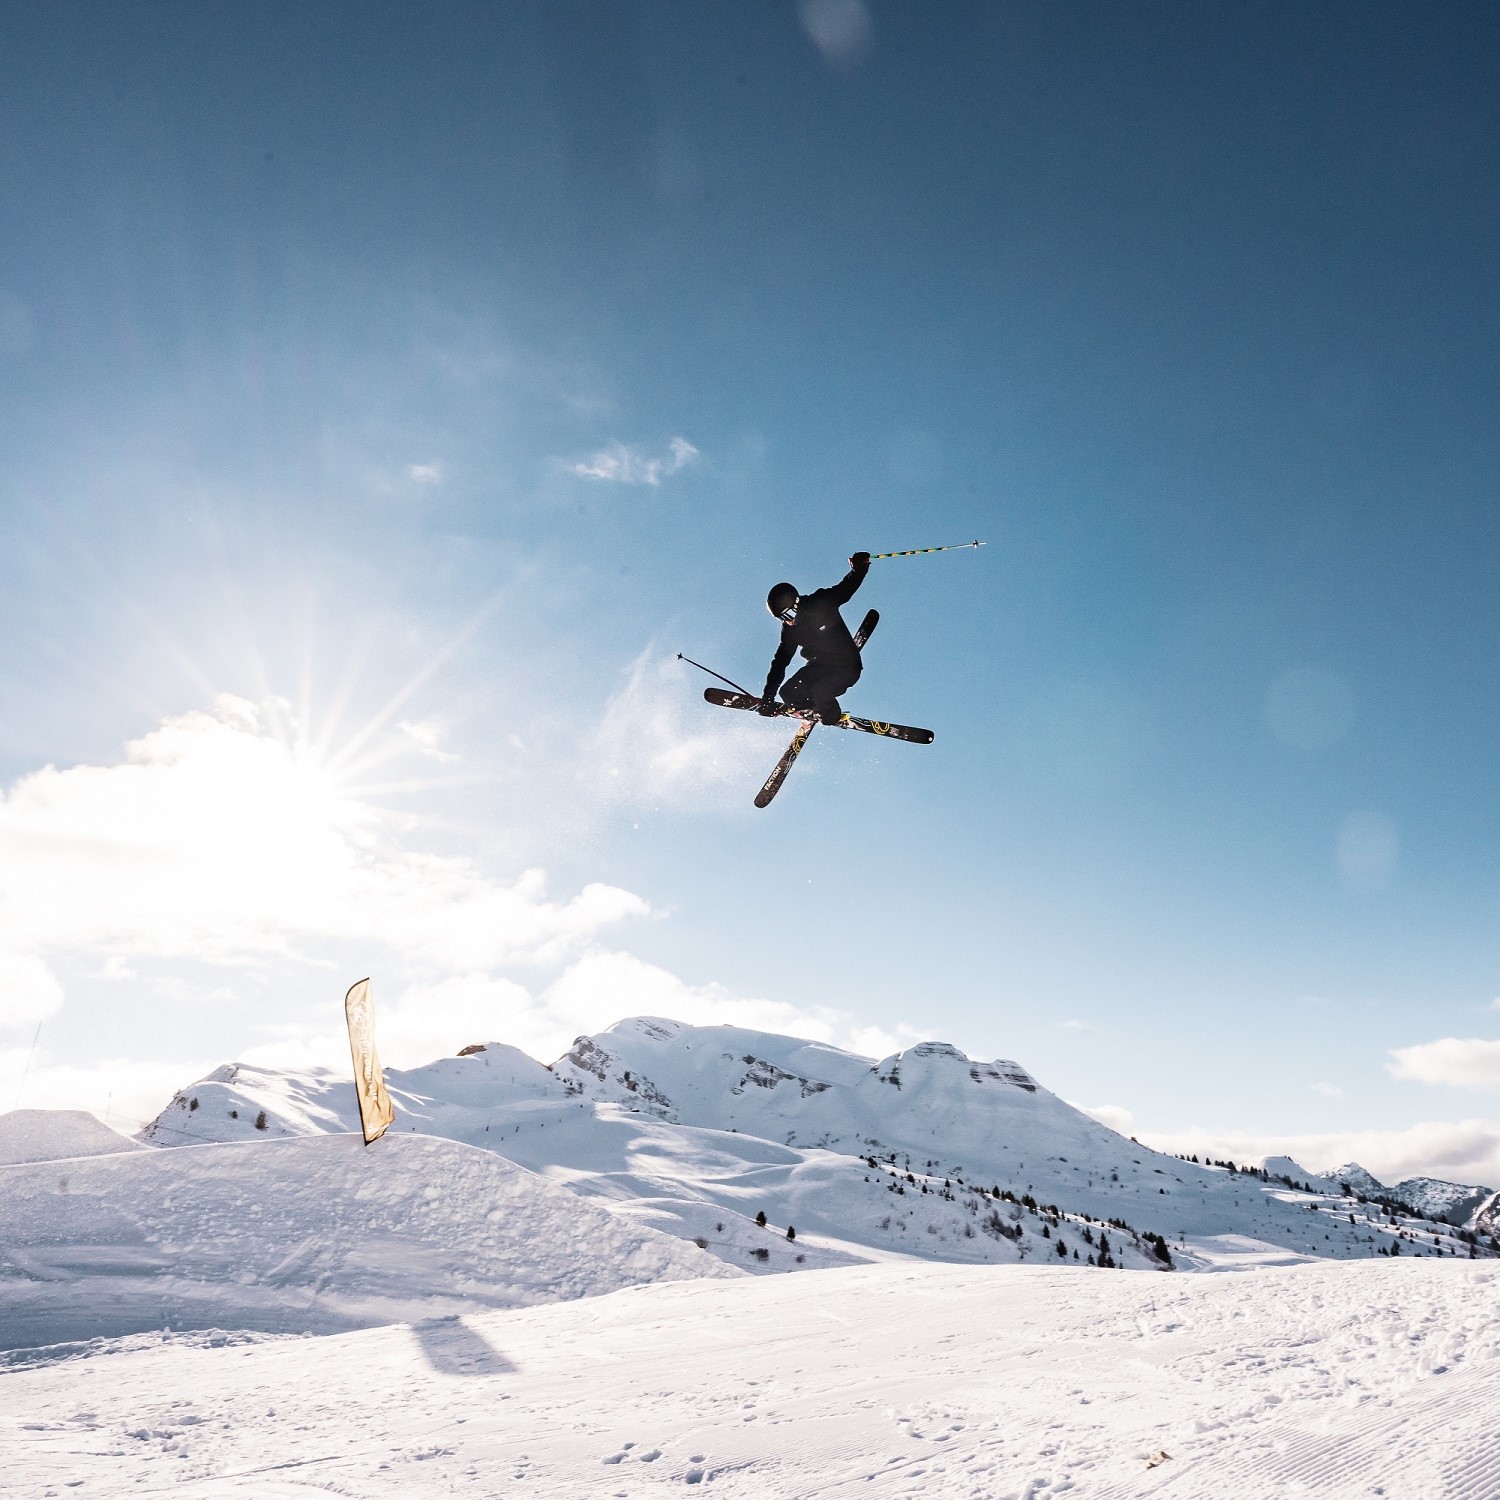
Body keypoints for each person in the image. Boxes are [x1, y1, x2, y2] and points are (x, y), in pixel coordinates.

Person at [760, 552, 871, 724]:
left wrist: (859, 568)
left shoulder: (820, 603)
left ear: (796, 603)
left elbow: (846, 588)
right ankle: (811, 708)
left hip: (846, 666)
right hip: (818, 666)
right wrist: (768, 696)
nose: (788, 620)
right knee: (788, 692)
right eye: (782, 618)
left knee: (821, 691)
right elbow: (780, 662)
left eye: (788, 614)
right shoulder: (789, 630)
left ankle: (830, 714)